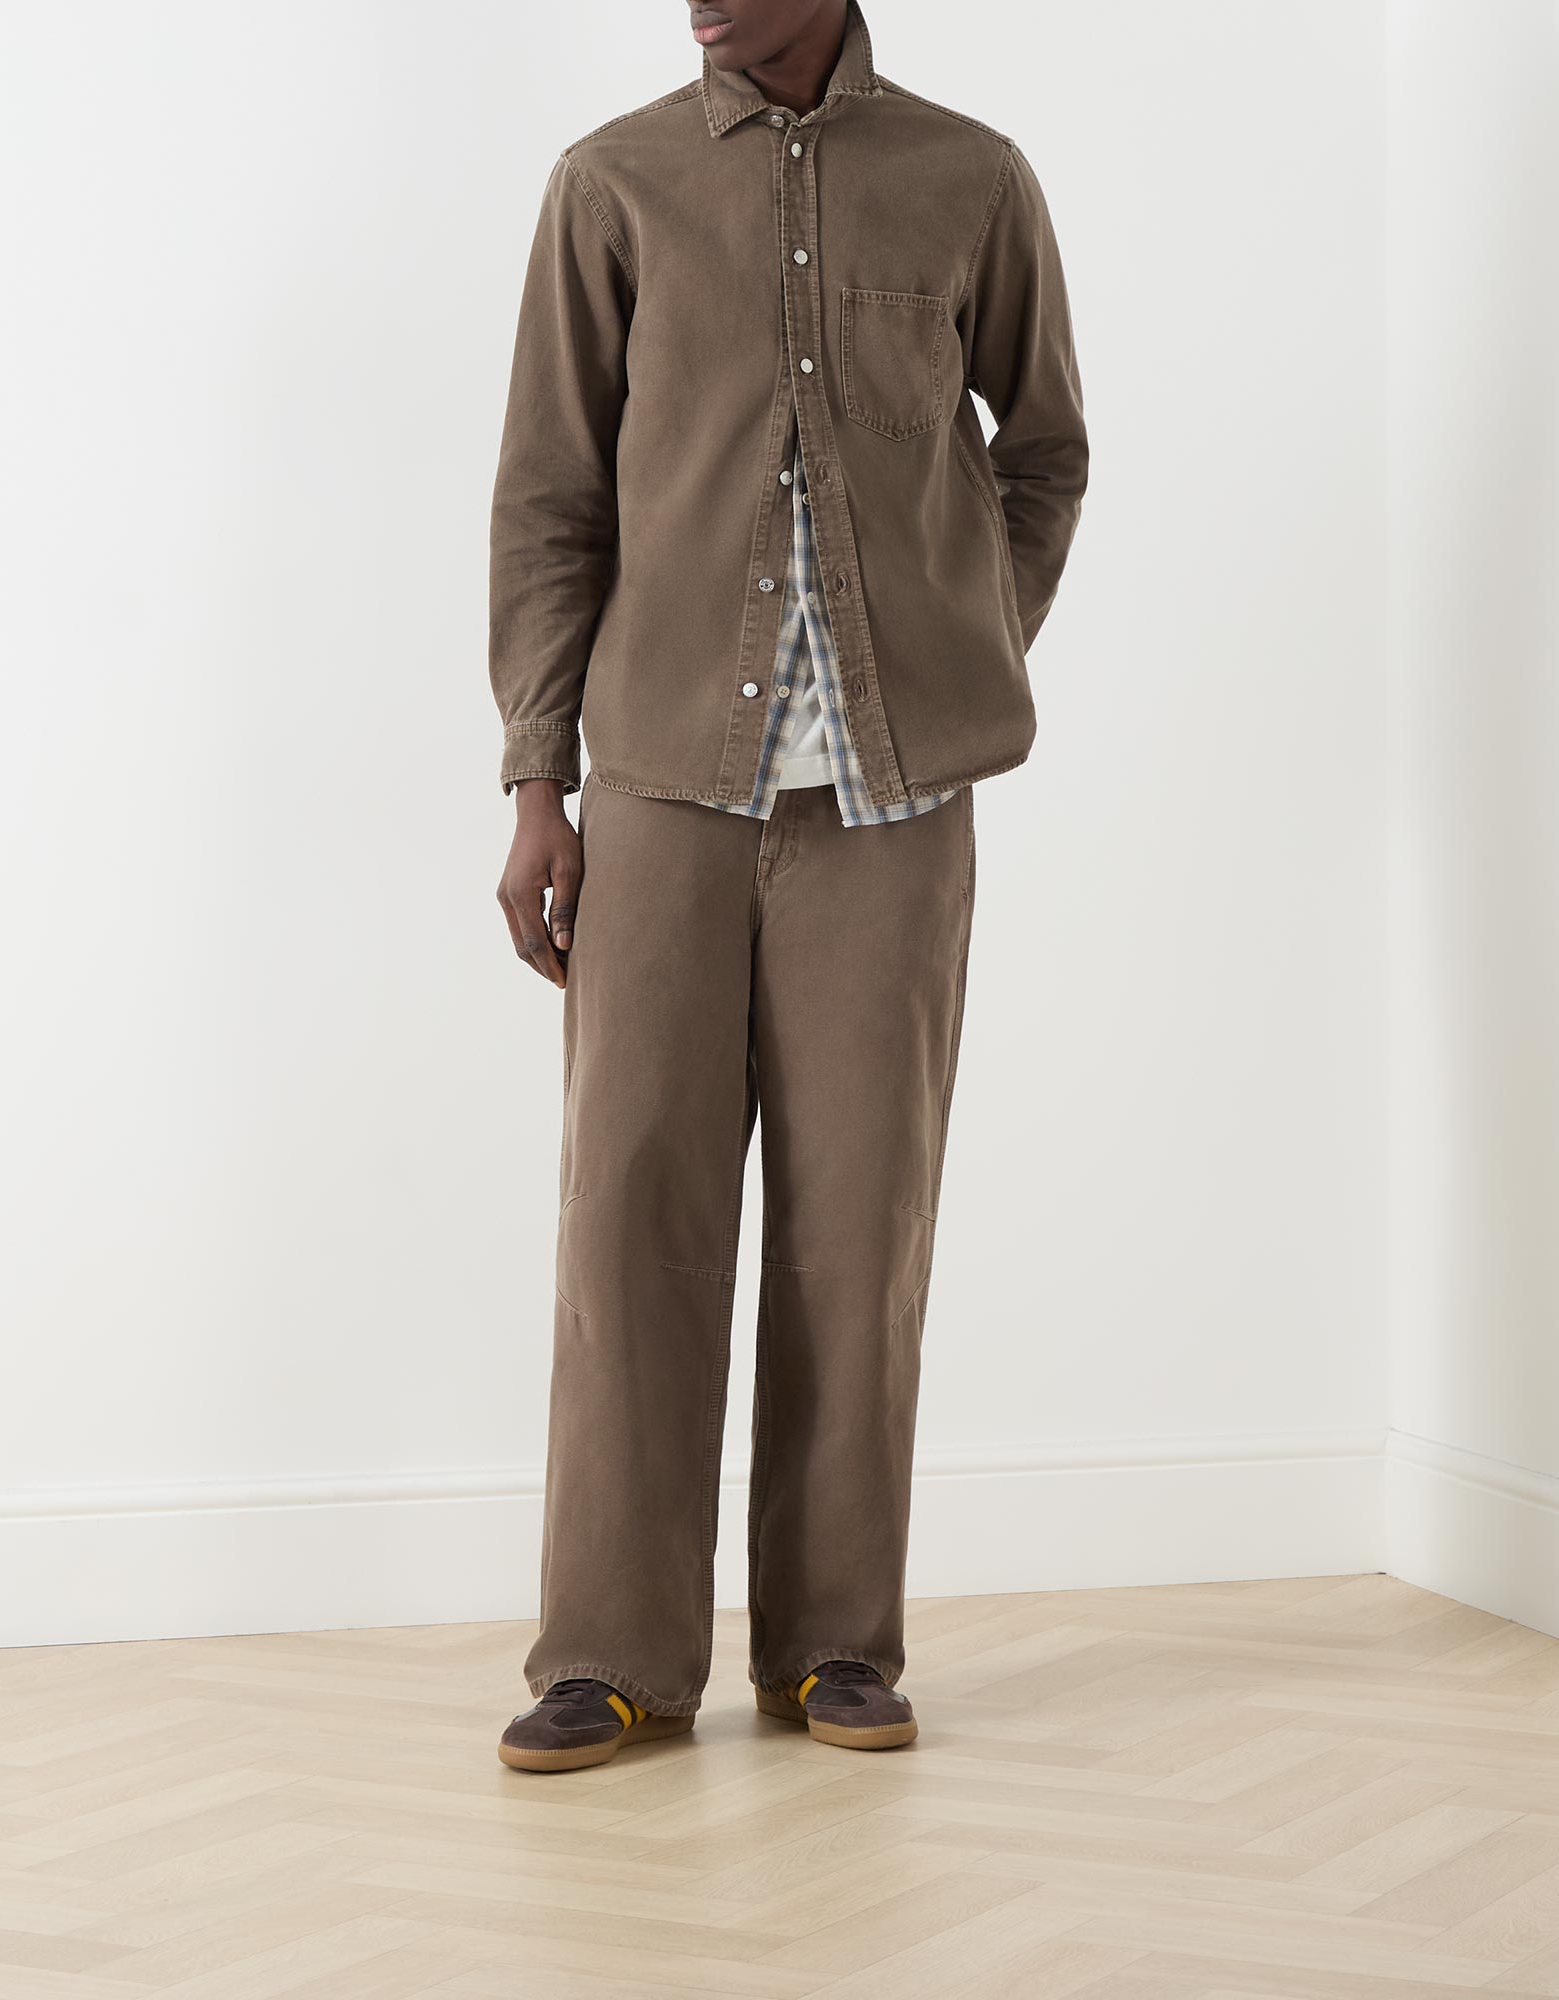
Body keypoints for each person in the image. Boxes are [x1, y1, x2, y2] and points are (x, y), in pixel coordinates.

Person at [488, 0, 1087, 1771]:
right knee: (629, 1219)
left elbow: (1044, 450)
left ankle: (835, 1645)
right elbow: (550, 496)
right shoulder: (610, 186)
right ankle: (609, 1655)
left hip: (893, 810)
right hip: (661, 787)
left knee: (860, 1227)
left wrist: (964, 637)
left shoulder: (972, 180)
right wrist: (537, 779)